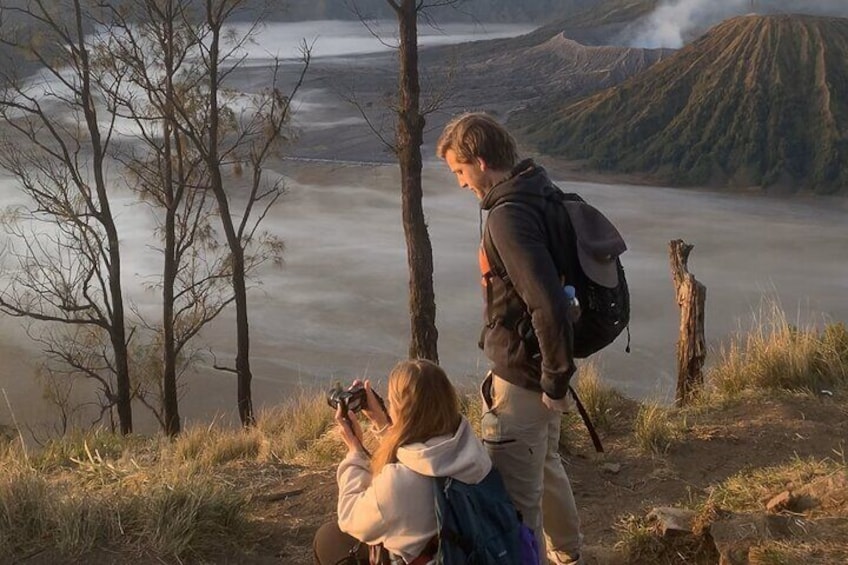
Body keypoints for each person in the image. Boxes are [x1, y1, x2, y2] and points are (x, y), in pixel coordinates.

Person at [436, 112, 584, 565]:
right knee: (547, 465)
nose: (461, 184)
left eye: (460, 172)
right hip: (541, 367)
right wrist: (556, 376)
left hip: (523, 377)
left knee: (519, 499)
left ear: (480, 162)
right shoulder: (538, 190)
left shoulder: (506, 216)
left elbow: (548, 303)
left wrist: (556, 382)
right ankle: (569, 556)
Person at [312, 359, 492, 565]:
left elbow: (349, 516)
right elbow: (421, 453)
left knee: (328, 538)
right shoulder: (474, 453)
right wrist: (382, 423)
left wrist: (355, 452)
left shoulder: (398, 483)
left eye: (392, 402)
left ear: (400, 410)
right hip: (467, 555)